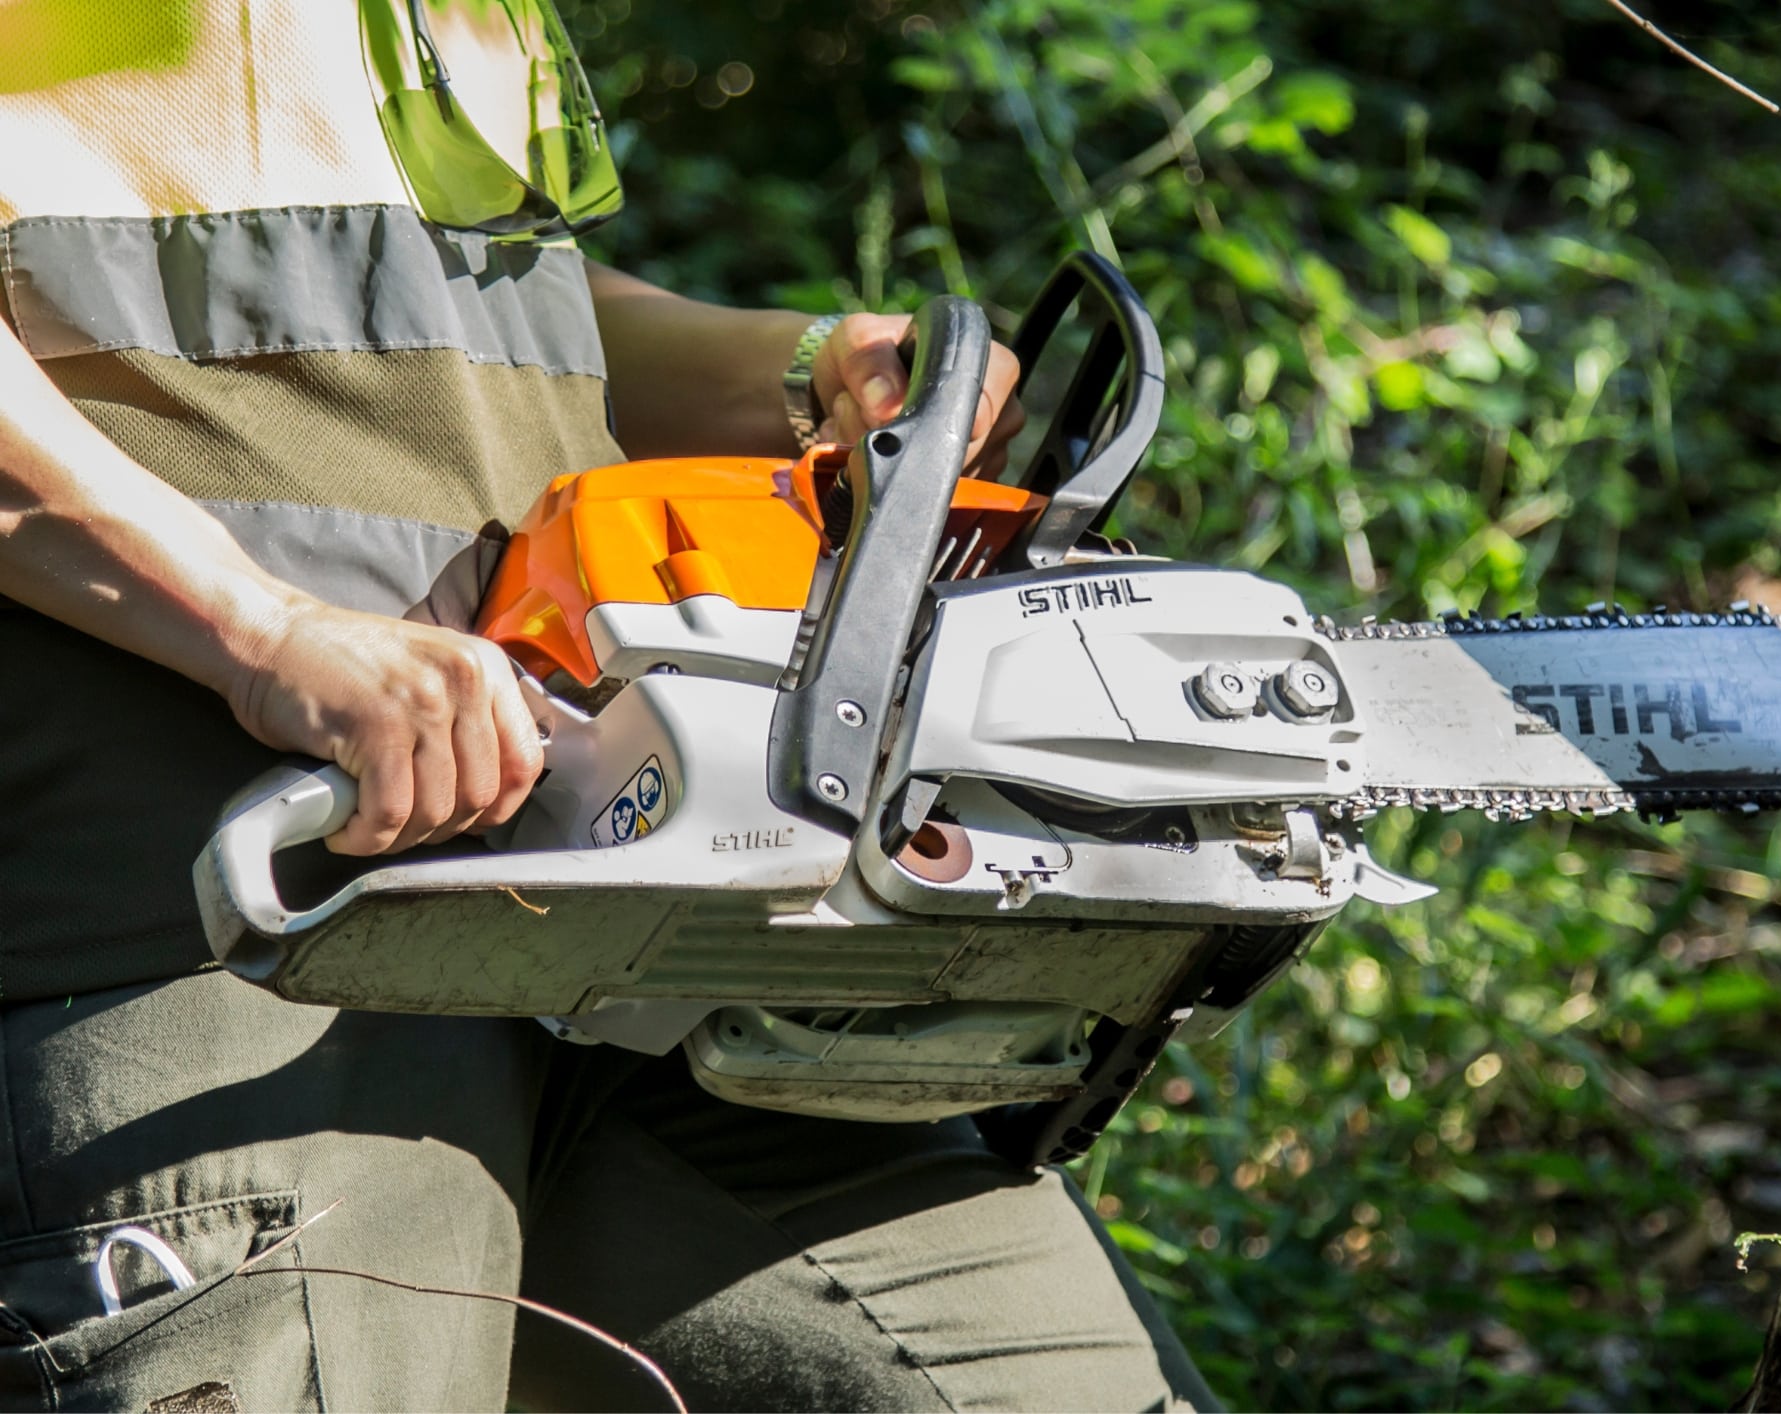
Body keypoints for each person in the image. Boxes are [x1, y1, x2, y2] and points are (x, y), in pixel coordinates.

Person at [0, 1, 1216, 1409]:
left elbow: (480, 324)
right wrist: (262, 629)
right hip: (213, 921)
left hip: (625, 909)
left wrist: (794, 369)